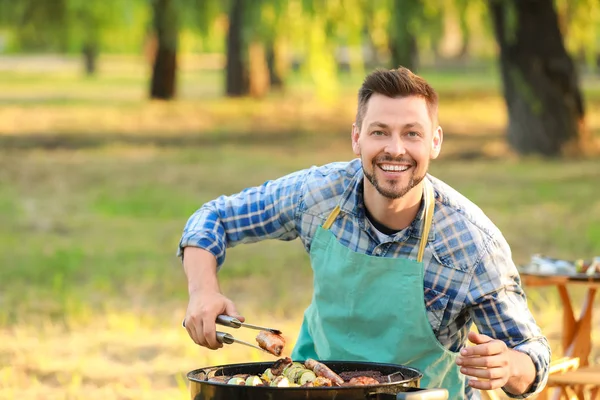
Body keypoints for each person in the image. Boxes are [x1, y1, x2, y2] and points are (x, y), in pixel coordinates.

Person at [178, 67, 551, 399]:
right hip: (314, 387)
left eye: (411, 134)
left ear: (434, 142)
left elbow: (533, 355)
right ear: (357, 137)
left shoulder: (471, 243)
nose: (395, 149)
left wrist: (508, 366)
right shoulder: (318, 196)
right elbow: (214, 218)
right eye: (379, 132)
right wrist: (203, 292)